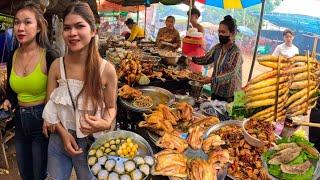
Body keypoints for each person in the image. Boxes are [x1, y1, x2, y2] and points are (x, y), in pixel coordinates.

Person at [42, 2, 117, 179]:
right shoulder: (56, 66)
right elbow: (49, 106)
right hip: (59, 138)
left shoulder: (106, 70)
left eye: (79, 26)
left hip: (91, 141)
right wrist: (63, 133)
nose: (72, 33)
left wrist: (105, 123)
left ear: (93, 31)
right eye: (67, 28)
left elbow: (111, 107)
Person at [1, 2, 59, 180]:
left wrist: (50, 118)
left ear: (39, 26)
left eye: (27, 22)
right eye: (17, 22)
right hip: (19, 119)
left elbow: (58, 93)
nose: (20, 28)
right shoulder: (13, 55)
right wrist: (8, 99)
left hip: (41, 121)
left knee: (39, 174)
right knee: (25, 173)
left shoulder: (49, 55)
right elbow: (11, 89)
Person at [191, 15, 243, 103]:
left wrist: (211, 80)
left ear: (232, 33)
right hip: (216, 91)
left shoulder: (236, 52)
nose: (220, 34)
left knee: (225, 116)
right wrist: (192, 59)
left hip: (230, 95)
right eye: (219, 32)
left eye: (223, 32)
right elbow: (206, 59)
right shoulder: (218, 48)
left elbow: (231, 73)